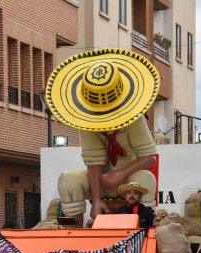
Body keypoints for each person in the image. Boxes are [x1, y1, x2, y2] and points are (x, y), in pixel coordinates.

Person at [47, 49, 160, 226]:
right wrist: (97, 198)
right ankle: (72, 233)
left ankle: (142, 230)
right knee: (67, 180)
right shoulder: (85, 120)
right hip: (100, 183)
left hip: (128, 180)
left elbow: (149, 158)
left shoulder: (135, 118)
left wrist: (120, 173)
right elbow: (94, 163)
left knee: (146, 178)